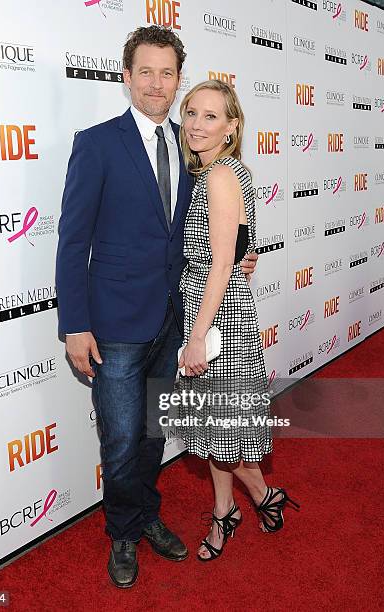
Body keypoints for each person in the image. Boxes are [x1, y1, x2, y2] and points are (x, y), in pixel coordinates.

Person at [55, 27, 258, 588]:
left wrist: (244, 253)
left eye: (167, 73)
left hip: (175, 321)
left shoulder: (193, 147)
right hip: (116, 325)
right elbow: (73, 240)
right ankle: (123, 532)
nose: (155, 83)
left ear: (177, 82)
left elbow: (213, 226)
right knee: (119, 439)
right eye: (145, 71)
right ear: (126, 77)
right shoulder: (96, 143)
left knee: (151, 434)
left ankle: (147, 516)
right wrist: (74, 325)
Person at [176, 80, 299, 562]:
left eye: (210, 116)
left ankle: (258, 498)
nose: (196, 124)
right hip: (220, 309)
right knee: (217, 429)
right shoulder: (232, 172)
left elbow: (222, 265)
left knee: (220, 430)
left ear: (232, 127)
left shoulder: (219, 177)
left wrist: (196, 337)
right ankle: (227, 508)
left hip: (217, 315)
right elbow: (245, 248)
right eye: (191, 113)